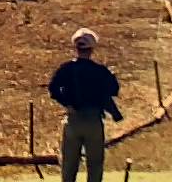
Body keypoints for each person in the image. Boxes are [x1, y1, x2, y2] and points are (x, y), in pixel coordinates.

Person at [49, 27, 123, 182]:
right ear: (92, 49)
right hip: (94, 121)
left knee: (69, 164)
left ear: (76, 47)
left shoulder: (67, 69)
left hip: (73, 120)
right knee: (95, 164)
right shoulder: (100, 71)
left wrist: (67, 103)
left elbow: (53, 88)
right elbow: (114, 89)